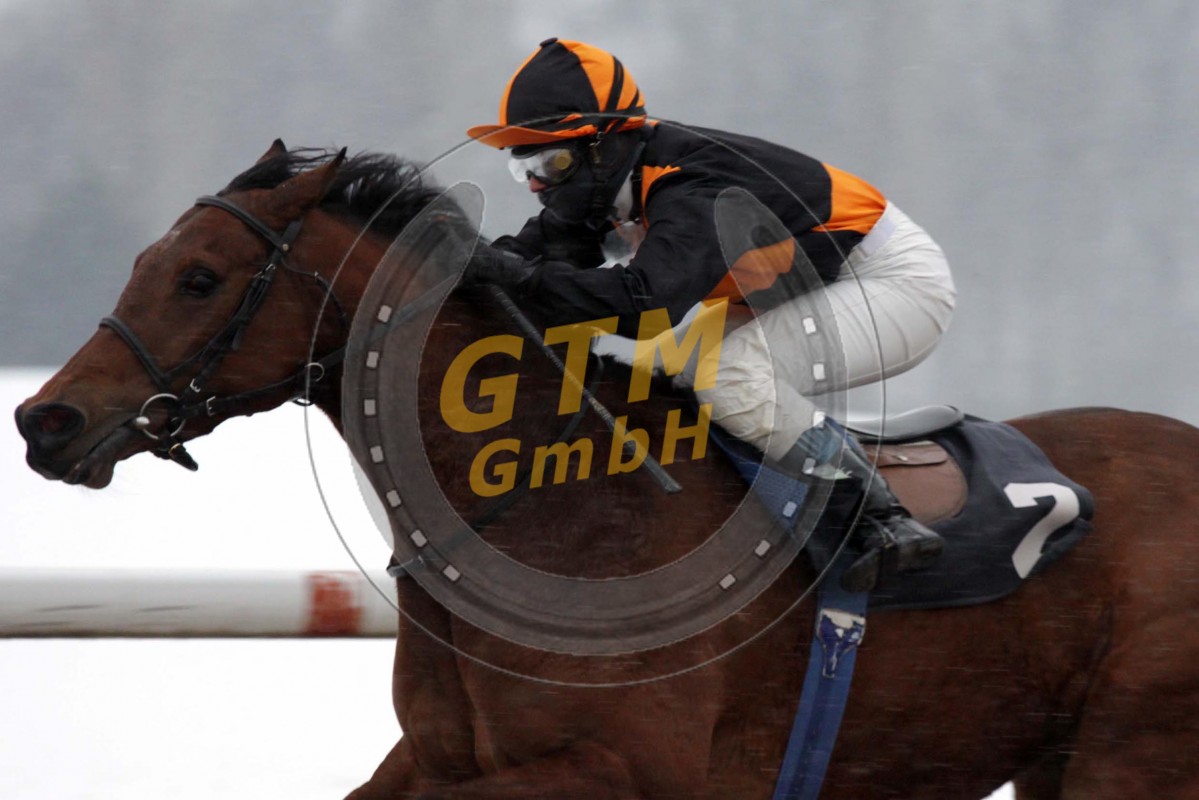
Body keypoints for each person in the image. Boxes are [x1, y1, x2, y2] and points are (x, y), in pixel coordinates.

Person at [464, 38, 956, 591]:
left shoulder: (689, 186)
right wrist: (457, 263)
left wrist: (520, 277)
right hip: (791, 289)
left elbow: (644, 306)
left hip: (889, 283)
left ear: (604, 146)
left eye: (551, 162)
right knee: (656, 377)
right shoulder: (605, 177)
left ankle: (876, 514)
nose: (536, 183)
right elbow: (530, 258)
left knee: (729, 378)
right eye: (524, 167)